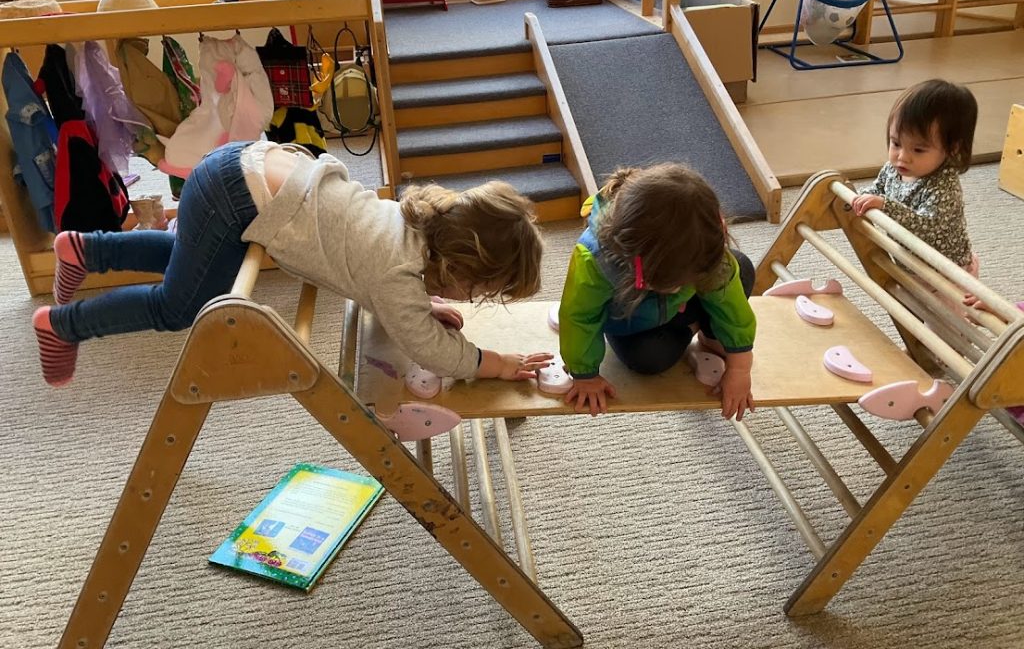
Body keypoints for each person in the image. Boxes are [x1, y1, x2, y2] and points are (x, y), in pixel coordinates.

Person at [33, 141, 552, 387]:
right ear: (461, 263)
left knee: (192, 259)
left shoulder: (412, 224)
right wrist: (498, 364)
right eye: (484, 289)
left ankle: (87, 248)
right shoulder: (397, 272)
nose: (477, 299)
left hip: (244, 167)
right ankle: (63, 326)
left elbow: (379, 272)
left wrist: (426, 302)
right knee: (181, 305)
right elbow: (430, 349)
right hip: (236, 193)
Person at [557, 163, 757, 420]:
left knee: (740, 267)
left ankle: (708, 336)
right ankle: (694, 325)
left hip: (679, 305)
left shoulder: (703, 243)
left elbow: (731, 303)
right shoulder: (594, 258)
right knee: (648, 360)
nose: (676, 288)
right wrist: (584, 374)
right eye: (670, 283)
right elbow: (578, 316)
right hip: (633, 322)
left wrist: (740, 369)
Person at [850, 79, 980, 302]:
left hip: (945, 275)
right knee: (912, 316)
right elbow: (878, 189)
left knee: (944, 333)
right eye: (896, 143)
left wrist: (884, 205)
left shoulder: (944, 187)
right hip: (913, 266)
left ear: (952, 148)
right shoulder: (894, 168)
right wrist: (863, 196)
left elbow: (926, 227)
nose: (902, 156)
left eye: (918, 149)